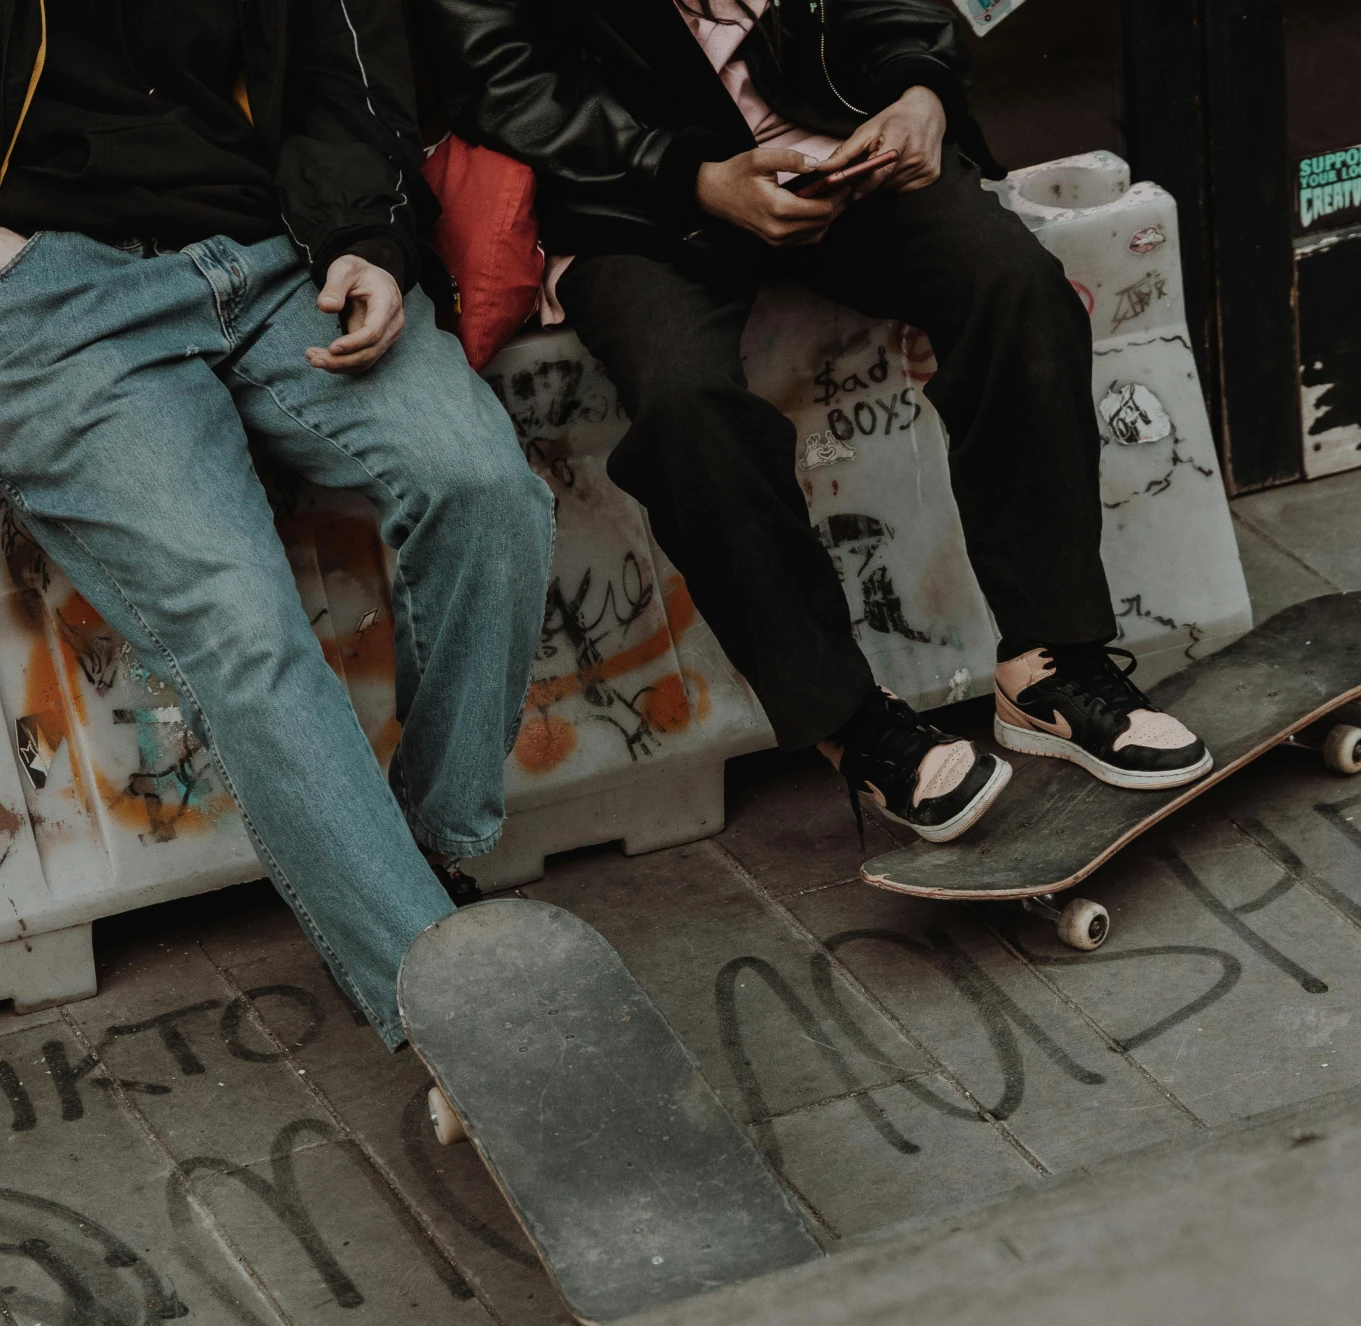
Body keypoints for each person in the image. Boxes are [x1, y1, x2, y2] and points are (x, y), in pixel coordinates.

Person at [419, 0, 1212, 845]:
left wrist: (920, 94)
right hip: (639, 201)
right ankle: (854, 724)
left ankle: (1052, 665)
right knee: (687, 407)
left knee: (1013, 285)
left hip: (834, 139)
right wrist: (690, 174)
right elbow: (498, 77)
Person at [0, 0, 555, 1045]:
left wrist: (371, 243)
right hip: (55, 297)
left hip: (272, 252)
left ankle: (422, 848)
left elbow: (350, 76)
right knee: (242, 628)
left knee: (483, 488)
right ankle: (448, 1008)